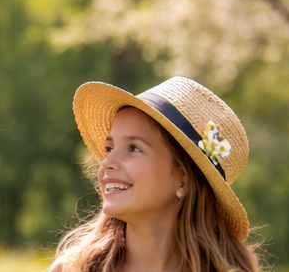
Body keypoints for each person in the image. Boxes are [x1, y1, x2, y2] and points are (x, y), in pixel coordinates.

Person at [50, 77, 262, 272]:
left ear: (185, 179)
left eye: (134, 148)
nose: (107, 163)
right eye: (110, 148)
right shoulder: (72, 269)